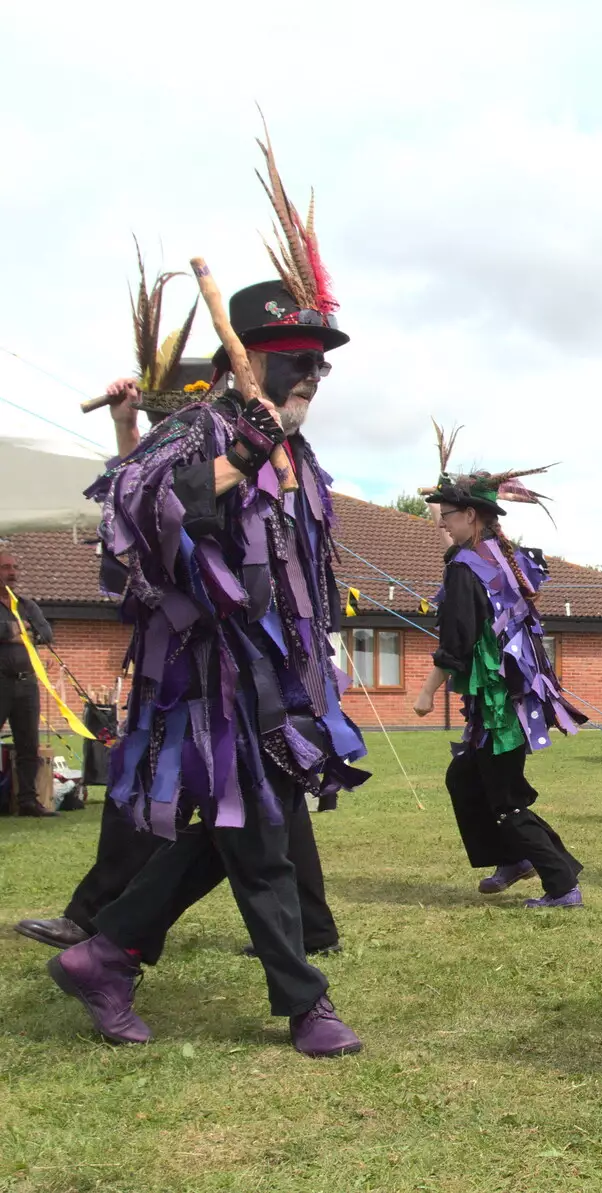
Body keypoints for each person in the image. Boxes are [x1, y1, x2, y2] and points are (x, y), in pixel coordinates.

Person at [46, 141, 366, 1057]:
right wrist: (242, 450)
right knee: (256, 831)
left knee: (237, 830)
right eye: (296, 358)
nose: (311, 374)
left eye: (322, 363)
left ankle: (105, 953)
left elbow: (303, 569)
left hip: (271, 673)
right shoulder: (199, 427)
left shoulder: (296, 453)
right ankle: (306, 1003)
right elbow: (139, 512)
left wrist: (323, 648)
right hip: (208, 673)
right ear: (246, 359)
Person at [414, 463, 587, 908]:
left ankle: (561, 882)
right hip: (507, 698)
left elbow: (458, 640)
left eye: (448, 514)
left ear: (470, 516)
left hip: (501, 705)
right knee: (464, 777)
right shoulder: (500, 559)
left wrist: (427, 690)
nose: (442, 521)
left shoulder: (468, 568)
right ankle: (514, 859)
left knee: (506, 797)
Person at [0, 549, 55, 816]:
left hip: (26, 684)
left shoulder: (26, 605)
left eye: (14, 567)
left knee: (28, 745)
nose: (12, 573)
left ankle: (28, 802)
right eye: (5, 567)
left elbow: (45, 633)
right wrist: (12, 631)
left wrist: (18, 632)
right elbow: (17, 631)